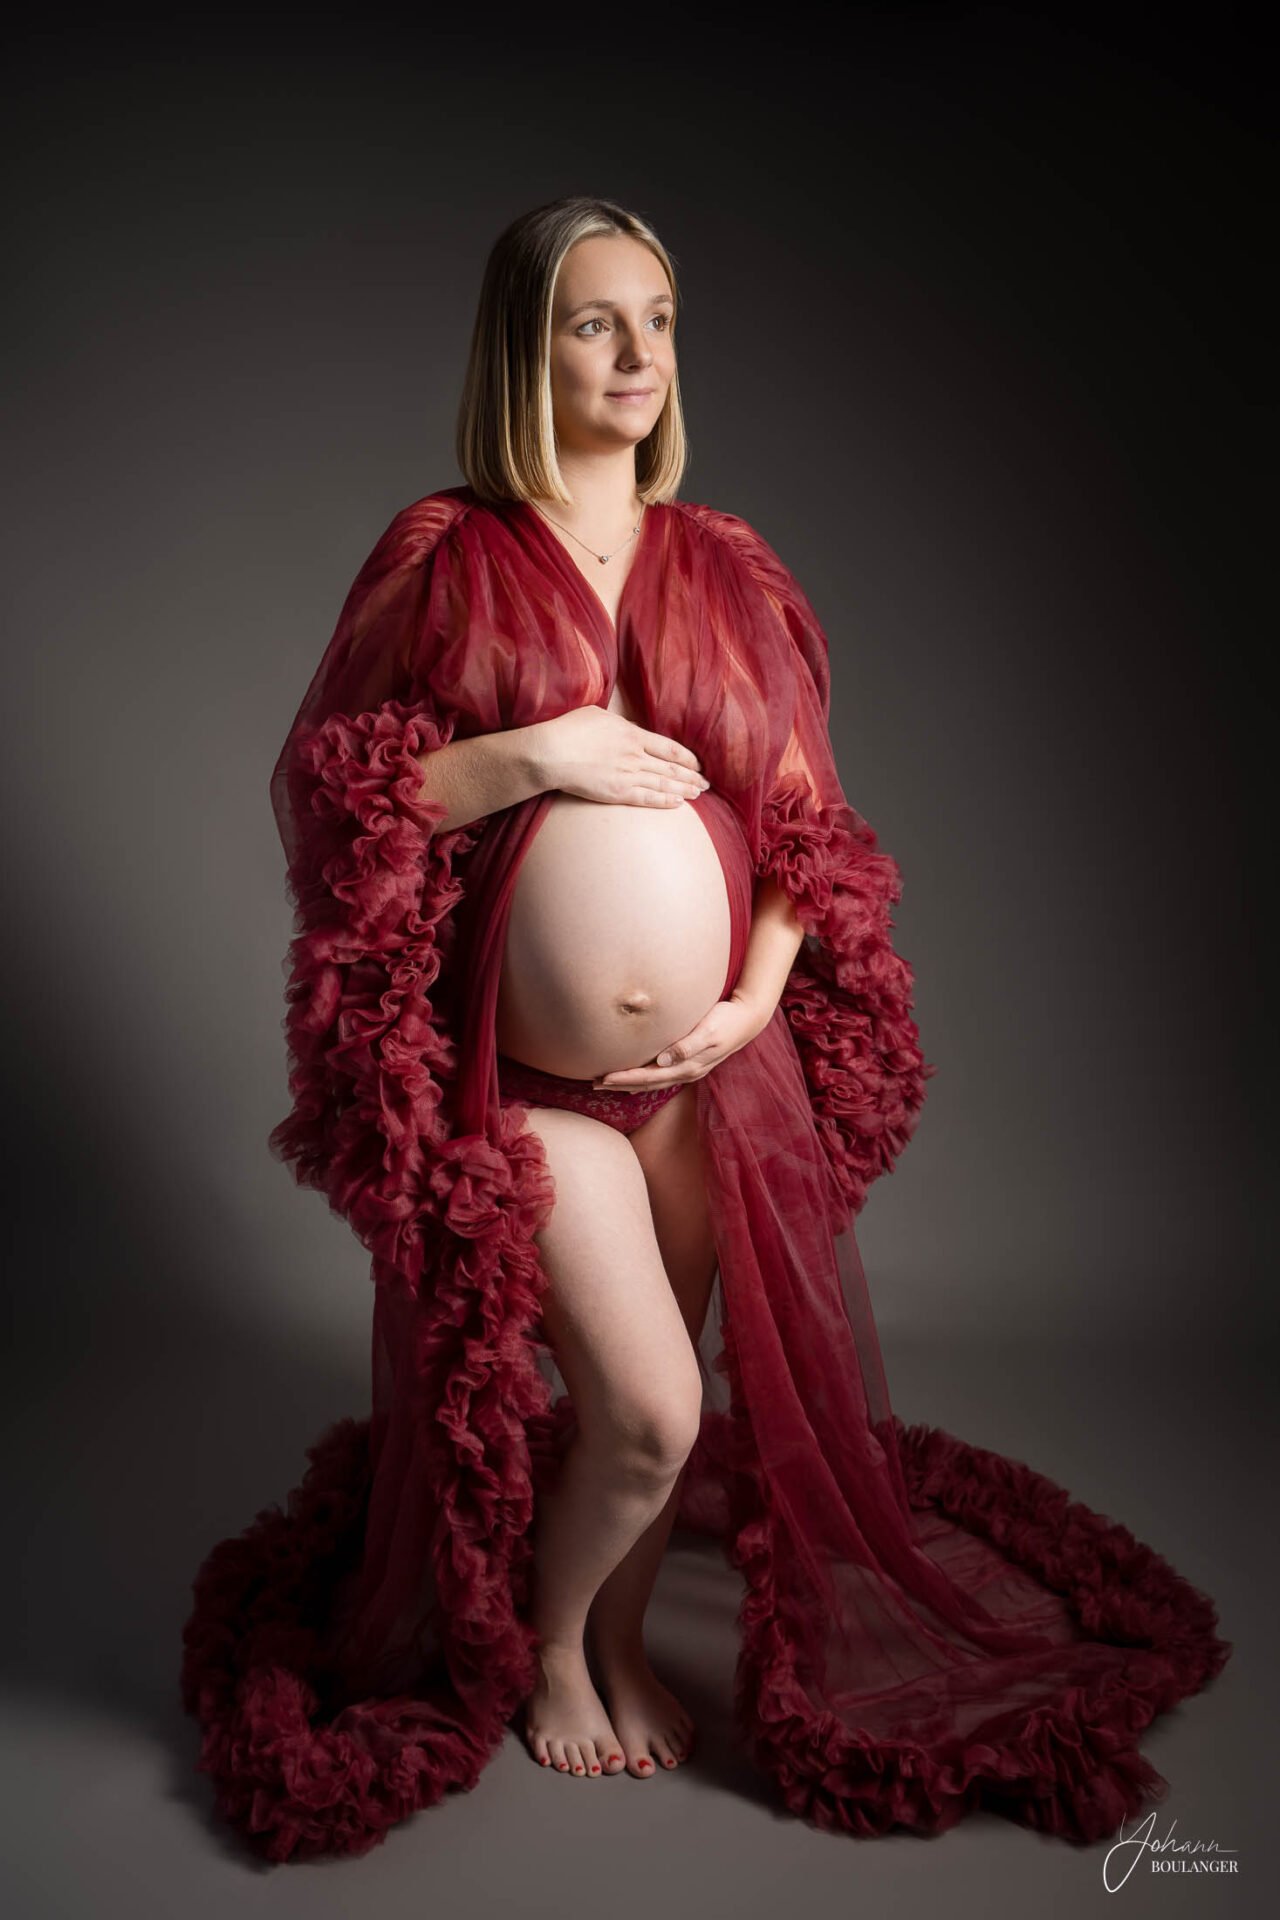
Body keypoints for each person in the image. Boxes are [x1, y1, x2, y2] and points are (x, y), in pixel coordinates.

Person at [180, 196, 1231, 1863]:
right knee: (659, 1409)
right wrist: (539, 754)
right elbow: (342, 800)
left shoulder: (726, 566)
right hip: (525, 1081)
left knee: (638, 1416)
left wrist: (748, 1002)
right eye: (597, 321)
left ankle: (605, 1636)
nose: (638, 355)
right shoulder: (444, 554)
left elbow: (810, 824)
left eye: (658, 320)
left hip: (706, 1075)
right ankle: (543, 1646)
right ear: (526, 345)